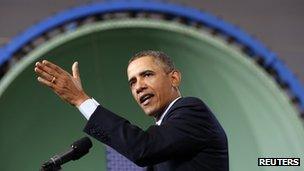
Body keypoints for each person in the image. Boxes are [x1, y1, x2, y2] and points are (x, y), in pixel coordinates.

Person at [34, 50, 229, 171]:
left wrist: (80, 99)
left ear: (174, 78)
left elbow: (142, 149)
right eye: (132, 82)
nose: (139, 86)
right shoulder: (164, 137)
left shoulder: (192, 111)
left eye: (147, 75)